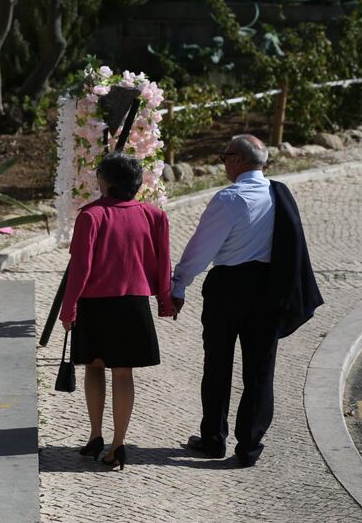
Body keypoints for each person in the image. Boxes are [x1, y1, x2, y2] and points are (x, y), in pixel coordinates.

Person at [171, 134, 322, 467]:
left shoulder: (229, 199)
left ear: (238, 160)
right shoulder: (279, 194)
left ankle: (214, 438)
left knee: (217, 364)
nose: (223, 163)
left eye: (224, 157)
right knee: (260, 370)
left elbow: (201, 249)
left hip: (228, 288)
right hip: (268, 289)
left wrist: (178, 285)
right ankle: (250, 445)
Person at [60, 153, 177, 470]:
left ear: (106, 182)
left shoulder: (91, 216)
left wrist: (68, 308)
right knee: (123, 373)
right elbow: (163, 262)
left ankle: (95, 434)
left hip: (95, 303)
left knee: (94, 367)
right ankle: (118, 443)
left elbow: (80, 268)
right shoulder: (154, 216)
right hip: (133, 304)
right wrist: (165, 301)